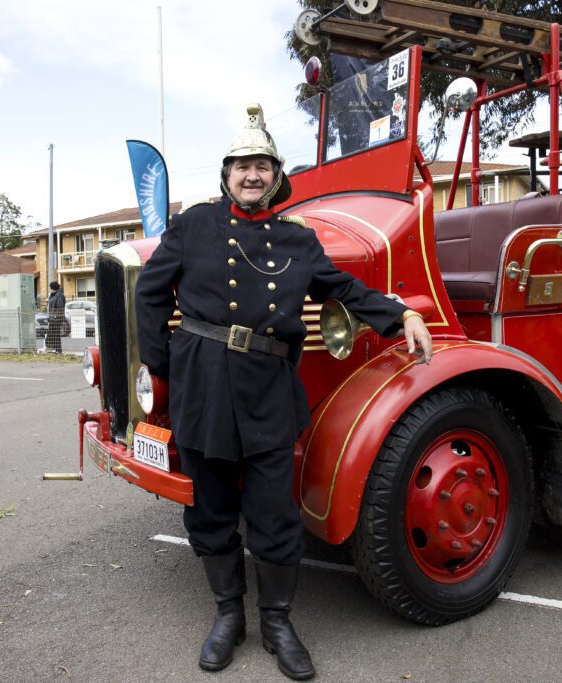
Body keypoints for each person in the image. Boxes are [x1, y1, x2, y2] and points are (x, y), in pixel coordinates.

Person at [135, 103, 432, 680]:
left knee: (275, 515)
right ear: (226, 174)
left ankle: (277, 622)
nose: (251, 175)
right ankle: (228, 617)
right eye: (242, 165)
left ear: (276, 176)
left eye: (262, 166)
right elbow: (151, 294)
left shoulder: (297, 240)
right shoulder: (194, 224)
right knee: (211, 509)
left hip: (269, 389)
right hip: (203, 388)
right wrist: (166, 365)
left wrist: (398, 317)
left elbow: (342, 286)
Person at [46, 282, 66, 354]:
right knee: (53, 334)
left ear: (53, 288)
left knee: (55, 334)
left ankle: (57, 349)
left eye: (50, 288)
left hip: (56, 318)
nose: (50, 290)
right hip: (52, 317)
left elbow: (60, 306)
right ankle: (55, 349)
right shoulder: (53, 295)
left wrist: (55, 316)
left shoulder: (59, 295)